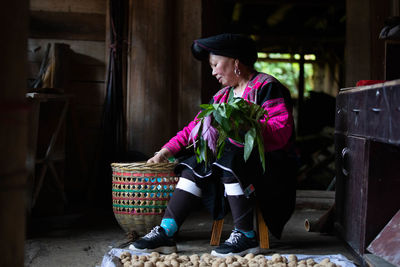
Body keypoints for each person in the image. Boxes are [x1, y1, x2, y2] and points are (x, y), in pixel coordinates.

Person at [129, 33, 297, 256]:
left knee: (229, 154)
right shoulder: (220, 98)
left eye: (216, 64)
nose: (213, 71)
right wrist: (165, 150)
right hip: (229, 165)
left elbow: (282, 130)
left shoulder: (266, 87)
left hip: (270, 167)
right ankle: (166, 232)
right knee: (196, 161)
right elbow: (194, 129)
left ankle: (246, 235)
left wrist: (242, 126)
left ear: (235, 61)